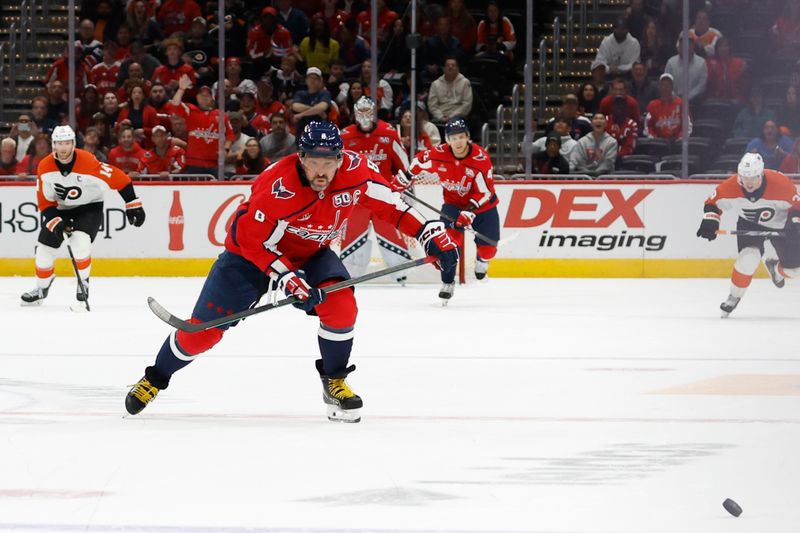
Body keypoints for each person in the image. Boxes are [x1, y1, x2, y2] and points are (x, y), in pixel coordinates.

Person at [123, 121, 458, 422]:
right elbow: (249, 238)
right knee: (202, 334)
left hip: (311, 255)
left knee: (341, 307)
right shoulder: (275, 184)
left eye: (329, 161)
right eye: (314, 161)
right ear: (300, 157)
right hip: (248, 258)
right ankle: (154, 379)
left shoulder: (358, 172)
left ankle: (335, 381)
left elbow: (396, 207)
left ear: (341, 158)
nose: (322, 170)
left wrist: (431, 235)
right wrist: (285, 277)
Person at [20, 125, 145, 306]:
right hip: (61, 209)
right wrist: (57, 222)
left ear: (74, 144)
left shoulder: (88, 161)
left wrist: (133, 203)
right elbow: (45, 202)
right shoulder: (45, 167)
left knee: (80, 242)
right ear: (53, 145)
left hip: (89, 206)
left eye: (67, 143)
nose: (63, 148)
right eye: (59, 143)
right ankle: (41, 287)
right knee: (43, 251)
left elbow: (119, 177)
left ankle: (83, 282)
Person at [404, 117, 500, 301]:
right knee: (446, 247)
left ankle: (482, 259)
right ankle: (447, 282)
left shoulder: (480, 158)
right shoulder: (438, 153)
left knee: (489, 249)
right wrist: (405, 178)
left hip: (482, 207)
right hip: (453, 206)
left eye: (461, 137)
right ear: (447, 140)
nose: (458, 141)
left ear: (468, 137)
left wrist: (470, 210)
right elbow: (418, 162)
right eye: (453, 138)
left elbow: (486, 191)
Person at [696, 153, 800, 317]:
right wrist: (711, 220)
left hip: (782, 225)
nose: (749, 183)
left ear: (761, 175)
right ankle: (734, 296)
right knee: (748, 258)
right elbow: (712, 203)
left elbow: (797, 205)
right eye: (745, 177)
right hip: (749, 223)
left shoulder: (780, 184)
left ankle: (776, 270)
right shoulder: (731, 186)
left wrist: (795, 223)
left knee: (794, 271)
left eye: (753, 177)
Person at [339, 97, 411, 283]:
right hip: (357, 197)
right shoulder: (344, 136)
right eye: (360, 112)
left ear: (374, 113)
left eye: (368, 112)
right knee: (353, 233)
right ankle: (351, 274)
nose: (364, 116)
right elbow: (336, 168)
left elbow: (404, 165)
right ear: (354, 114)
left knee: (389, 231)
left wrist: (404, 189)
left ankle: (401, 271)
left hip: (383, 195)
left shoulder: (388, 132)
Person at [166, 75, 233, 178]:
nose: (204, 98)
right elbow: (174, 105)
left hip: (214, 164)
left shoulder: (221, 115)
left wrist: (226, 149)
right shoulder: (191, 111)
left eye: (207, 96)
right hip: (193, 163)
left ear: (212, 98)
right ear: (197, 97)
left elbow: (230, 134)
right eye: (201, 95)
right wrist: (181, 89)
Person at [644, 73, 691, 140]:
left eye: (668, 85)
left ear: (672, 87)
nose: (665, 87)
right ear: (659, 87)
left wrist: (680, 138)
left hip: (677, 143)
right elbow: (648, 127)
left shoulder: (681, 103)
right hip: (659, 143)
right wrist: (655, 140)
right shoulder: (652, 105)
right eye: (662, 85)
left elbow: (687, 125)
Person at [427, 57, 473, 124]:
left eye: (453, 65)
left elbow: (467, 104)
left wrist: (452, 116)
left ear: (458, 69)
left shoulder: (465, 82)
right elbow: (432, 105)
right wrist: (440, 116)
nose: (450, 67)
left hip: (459, 117)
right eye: (448, 65)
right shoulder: (435, 84)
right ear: (443, 68)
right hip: (440, 117)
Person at [291, 67, 333, 133]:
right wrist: (316, 110)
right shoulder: (300, 93)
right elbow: (295, 106)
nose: (312, 80)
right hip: (302, 130)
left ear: (320, 81)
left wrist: (301, 114)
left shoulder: (325, 93)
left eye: (316, 78)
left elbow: (322, 107)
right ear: (306, 80)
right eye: (310, 78)